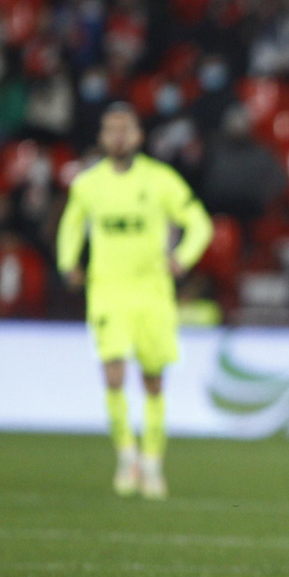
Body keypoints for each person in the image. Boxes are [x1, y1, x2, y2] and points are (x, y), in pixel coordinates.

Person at [56, 104, 213, 499]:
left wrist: (182, 258)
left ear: (139, 136)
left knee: (154, 381)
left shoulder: (160, 180)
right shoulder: (87, 184)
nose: (118, 136)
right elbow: (71, 226)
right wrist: (68, 263)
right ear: (101, 137)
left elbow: (200, 224)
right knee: (113, 375)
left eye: (125, 128)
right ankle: (127, 456)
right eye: (111, 129)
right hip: (107, 290)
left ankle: (153, 461)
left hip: (151, 292)